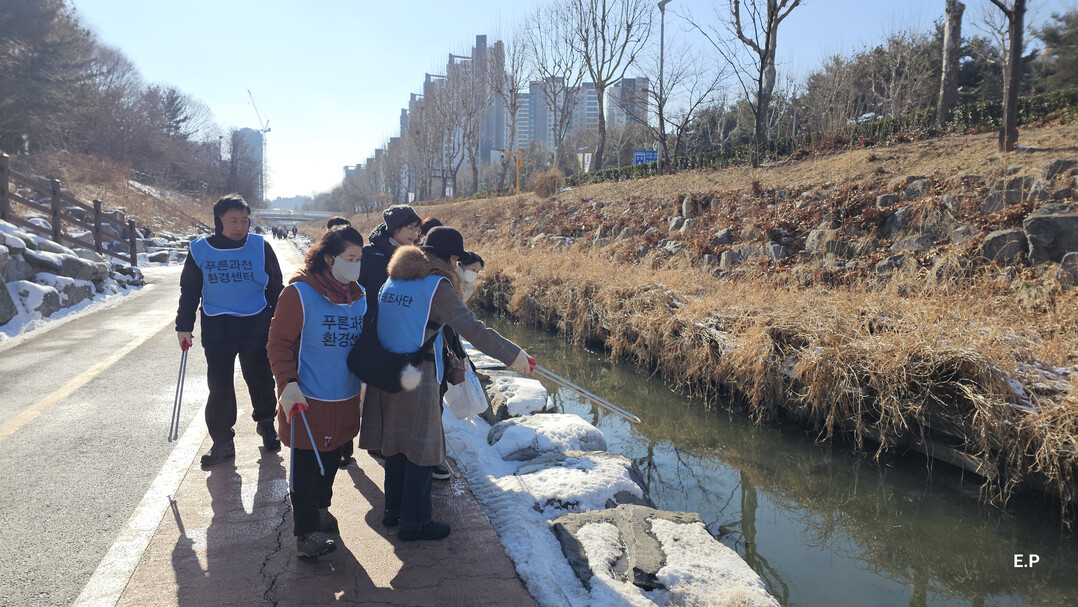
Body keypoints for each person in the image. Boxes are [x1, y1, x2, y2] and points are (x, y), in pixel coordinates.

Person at [360, 226, 535, 541]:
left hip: (386, 370)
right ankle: (415, 521)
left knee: (396, 446)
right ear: (452, 258)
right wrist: (515, 357)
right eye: (456, 260)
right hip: (419, 375)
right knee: (421, 448)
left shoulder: (395, 279)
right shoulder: (437, 286)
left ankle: (393, 512)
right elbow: (472, 328)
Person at [267, 225, 366, 559]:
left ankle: (322, 508)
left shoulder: (359, 297)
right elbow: (278, 344)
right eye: (349, 258)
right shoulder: (299, 294)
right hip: (307, 397)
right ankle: (305, 532)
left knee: (333, 457)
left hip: (346, 395)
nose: (355, 265)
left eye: (359, 259)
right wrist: (287, 383)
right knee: (306, 467)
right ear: (329, 257)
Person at [175, 194, 284, 467]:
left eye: (244, 220)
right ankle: (222, 441)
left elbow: (275, 286)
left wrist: (279, 321)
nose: (239, 226)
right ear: (219, 221)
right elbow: (189, 290)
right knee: (220, 385)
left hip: (256, 322)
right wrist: (183, 326)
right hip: (217, 325)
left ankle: (266, 423)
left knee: (260, 378)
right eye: (233, 220)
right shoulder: (200, 250)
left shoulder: (260, 246)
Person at [353, 204, 423, 465]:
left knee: (392, 383)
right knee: (373, 384)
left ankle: (391, 439)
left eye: (417, 229)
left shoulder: (415, 256)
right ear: (395, 228)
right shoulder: (371, 254)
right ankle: (372, 440)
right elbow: (356, 287)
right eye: (410, 228)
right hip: (371, 324)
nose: (415, 234)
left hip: (400, 327)